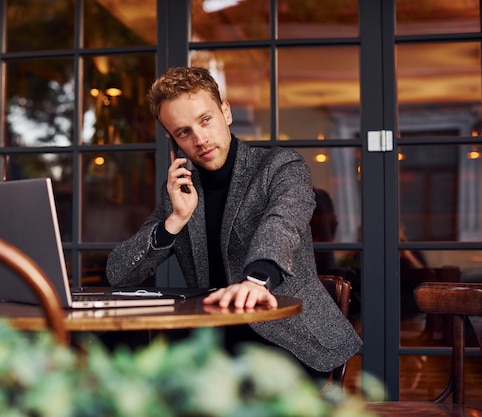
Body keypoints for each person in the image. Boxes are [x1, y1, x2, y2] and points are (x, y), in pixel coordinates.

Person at [106, 66, 362, 382]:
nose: (200, 139)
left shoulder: (281, 167)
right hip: (213, 344)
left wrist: (256, 281)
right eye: (184, 132)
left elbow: (282, 224)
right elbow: (119, 273)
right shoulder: (180, 190)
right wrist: (176, 219)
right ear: (172, 140)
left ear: (225, 112)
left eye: (205, 120)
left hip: (290, 339)